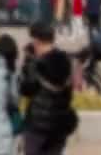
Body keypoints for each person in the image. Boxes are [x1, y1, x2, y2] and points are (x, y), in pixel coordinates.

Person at [20, 22, 78, 155]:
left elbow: (25, 89)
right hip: (60, 124)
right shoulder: (65, 60)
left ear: (36, 40)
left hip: (38, 124)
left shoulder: (36, 64)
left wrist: (28, 62)